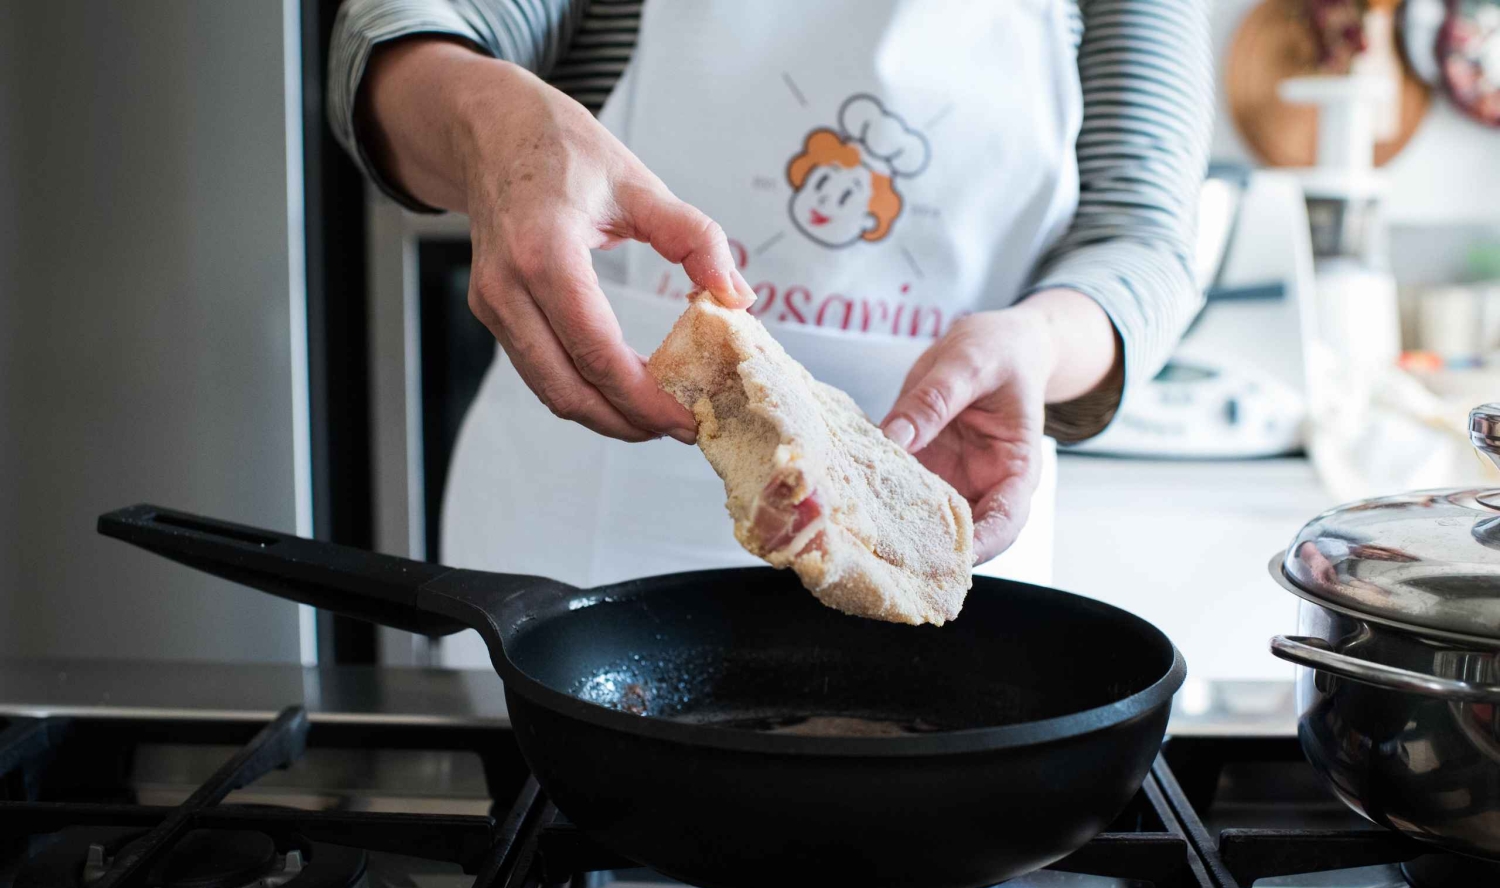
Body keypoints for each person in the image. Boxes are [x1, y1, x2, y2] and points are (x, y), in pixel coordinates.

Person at [329, 0, 1213, 666]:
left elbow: (1141, 240)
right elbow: (391, 44)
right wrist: (498, 128)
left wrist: (1040, 343)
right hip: (590, 562)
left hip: (944, 523)